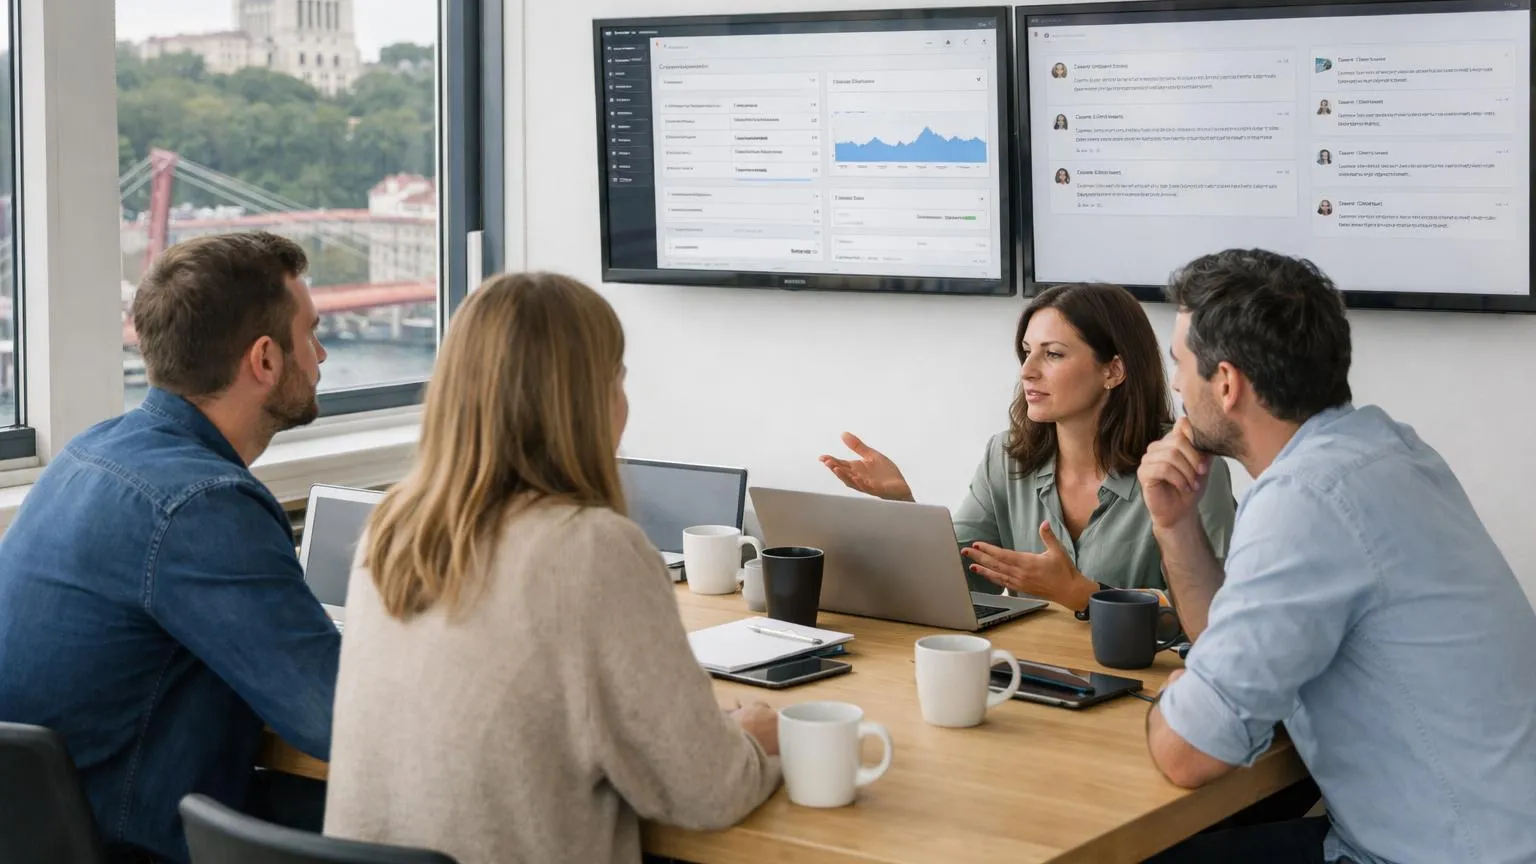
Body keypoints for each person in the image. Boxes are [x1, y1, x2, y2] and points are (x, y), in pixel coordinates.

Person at [324, 272, 780, 864]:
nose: (625, 403)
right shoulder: (591, 549)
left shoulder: (389, 530)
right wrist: (755, 739)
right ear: (585, 402)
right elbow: (707, 789)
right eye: (617, 379)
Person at [1139, 249, 1536, 864]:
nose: (1174, 386)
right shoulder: (1384, 449)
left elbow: (1189, 751)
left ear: (1226, 382)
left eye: (1180, 365)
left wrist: (1177, 701)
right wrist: (1176, 525)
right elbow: (1228, 643)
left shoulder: (1305, 500)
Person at [0, 232, 340, 863]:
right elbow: (333, 718)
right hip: (133, 840)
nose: (320, 354)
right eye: (312, 333)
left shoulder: (91, 451)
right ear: (264, 359)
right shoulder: (203, 503)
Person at [820, 284, 1234, 612]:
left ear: (1113, 369)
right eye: (1026, 352)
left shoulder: (1186, 467)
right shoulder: (1004, 457)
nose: (1027, 371)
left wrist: (1085, 595)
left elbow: (1214, 612)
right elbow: (963, 579)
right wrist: (903, 506)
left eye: (1052, 354)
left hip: (1144, 685)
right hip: (1029, 673)